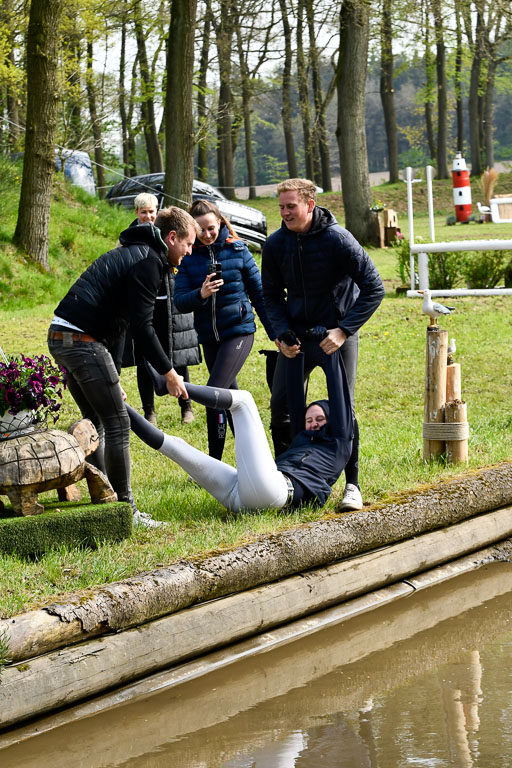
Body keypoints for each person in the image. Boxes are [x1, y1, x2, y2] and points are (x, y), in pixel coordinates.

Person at [48, 206, 198, 528]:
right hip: (81, 339)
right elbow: (143, 329)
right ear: (172, 237)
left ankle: (104, 506)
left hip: (61, 335)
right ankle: (124, 512)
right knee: (117, 424)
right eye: (188, 243)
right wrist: (170, 372)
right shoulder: (149, 261)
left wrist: (112, 374)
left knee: (98, 422)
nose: (189, 251)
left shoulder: (136, 252)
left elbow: (121, 324)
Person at [261, 178, 385, 512]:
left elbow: (374, 287)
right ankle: (284, 479)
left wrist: (343, 331)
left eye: (291, 206)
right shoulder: (275, 244)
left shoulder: (338, 239)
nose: (285, 213)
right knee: (281, 405)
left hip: (335, 335)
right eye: (282, 207)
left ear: (310, 205)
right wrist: (281, 333)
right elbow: (270, 295)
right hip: (297, 339)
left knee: (344, 409)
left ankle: (352, 485)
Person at [127, 348, 353, 512]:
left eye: (319, 419)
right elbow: (294, 394)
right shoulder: (302, 437)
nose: (312, 424)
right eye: (309, 420)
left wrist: (331, 353)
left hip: (275, 491)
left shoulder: (338, 441)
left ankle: (172, 386)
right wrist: (295, 354)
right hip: (241, 497)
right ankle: (118, 405)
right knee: (177, 446)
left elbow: (340, 394)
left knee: (244, 401)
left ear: (333, 421)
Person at [174, 199, 275, 460]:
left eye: (211, 228)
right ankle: (253, 457)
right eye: (201, 230)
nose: (207, 235)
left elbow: (260, 296)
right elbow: (180, 301)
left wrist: (276, 334)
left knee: (213, 394)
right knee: (229, 399)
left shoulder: (238, 249)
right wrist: (201, 293)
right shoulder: (188, 257)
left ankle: (213, 462)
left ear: (219, 221)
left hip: (239, 332)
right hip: (209, 337)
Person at [121, 193, 200, 426]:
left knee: (178, 354)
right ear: (137, 213)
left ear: (157, 211)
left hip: (172, 303)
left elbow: (183, 264)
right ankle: (149, 412)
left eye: (151, 211)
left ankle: (186, 406)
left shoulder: (169, 241)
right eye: (143, 212)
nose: (148, 215)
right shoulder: (133, 241)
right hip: (146, 306)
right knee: (145, 356)